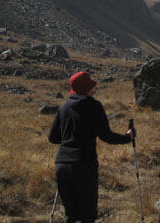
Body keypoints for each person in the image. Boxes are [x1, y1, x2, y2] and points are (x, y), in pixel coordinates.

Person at [48, 71, 133, 223]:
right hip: (84, 165)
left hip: (62, 164)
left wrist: (69, 138)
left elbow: (53, 138)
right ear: (87, 88)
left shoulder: (64, 108)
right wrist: (127, 137)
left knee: (71, 215)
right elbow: (106, 136)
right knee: (87, 215)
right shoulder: (94, 106)